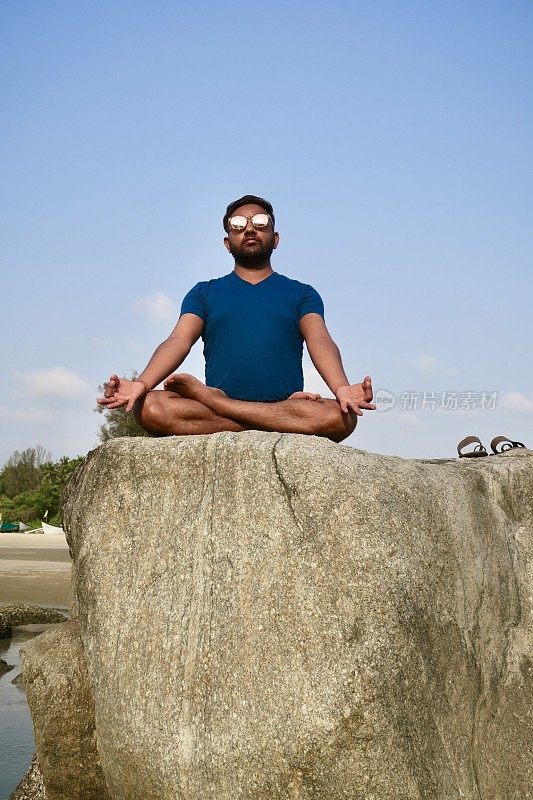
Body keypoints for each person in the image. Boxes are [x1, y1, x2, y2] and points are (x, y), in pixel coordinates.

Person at [97, 195, 375, 443]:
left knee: (342, 418)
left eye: (261, 222)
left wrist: (340, 388)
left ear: (275, 239)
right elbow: (178, 340)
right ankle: (260, 419)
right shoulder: (205, 292)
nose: (251, 228)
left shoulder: (302, 293)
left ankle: (220, 405)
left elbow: (320, 340)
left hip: (273, 404)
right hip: (281, 415)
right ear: (228, 243)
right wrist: (142, 383)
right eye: (239, 225)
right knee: (149, 407)